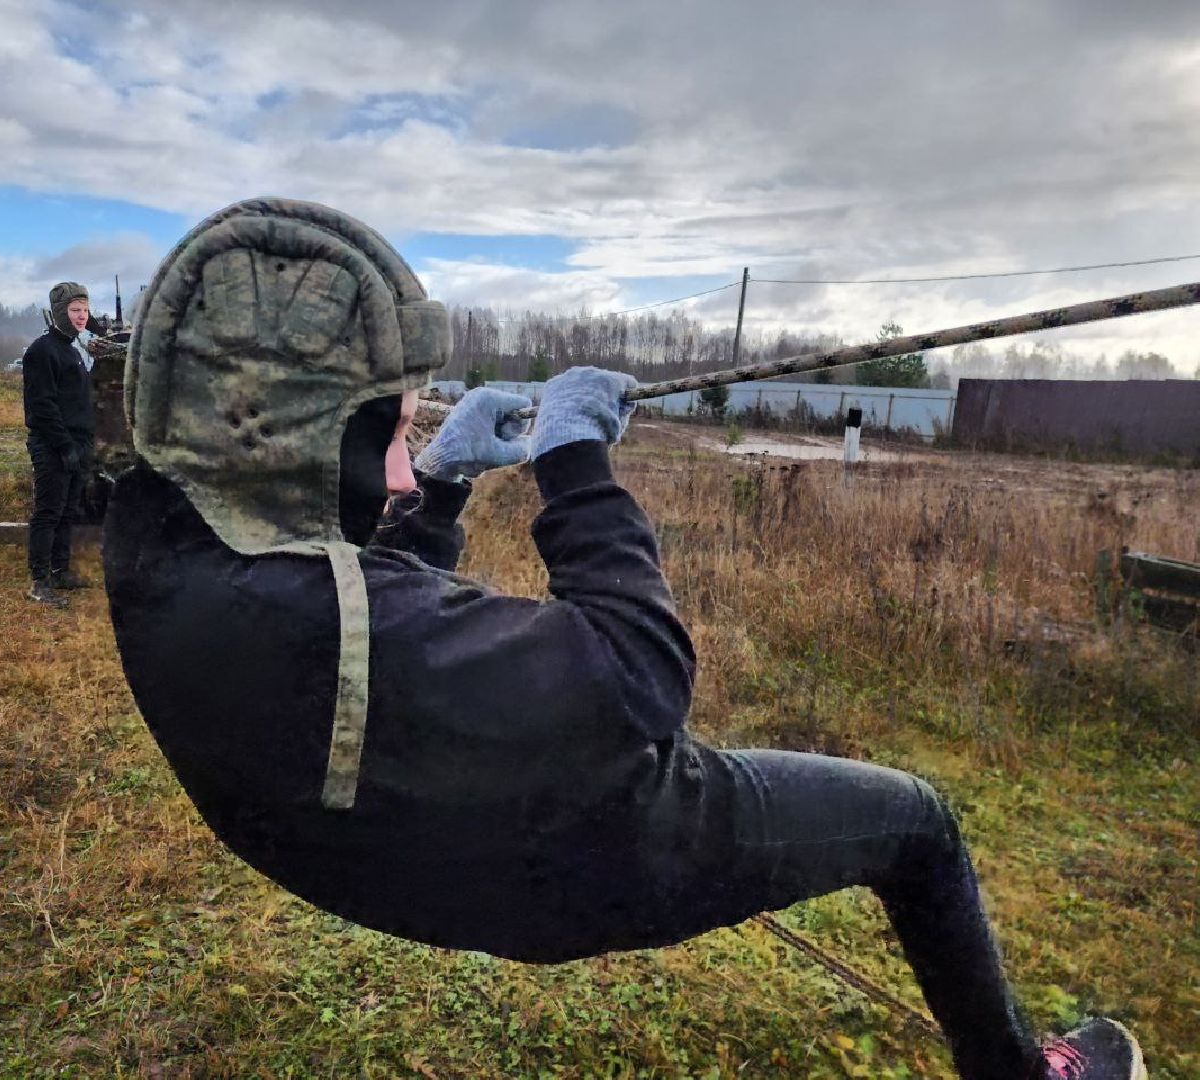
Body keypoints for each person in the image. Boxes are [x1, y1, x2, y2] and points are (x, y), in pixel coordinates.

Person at [102, 199, 1145, 1080]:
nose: (404, 474)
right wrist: (577, 469)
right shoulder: (307, 616)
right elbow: (640, 681)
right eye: (392, 434)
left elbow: (363, 639)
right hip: (593, 850)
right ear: (285, 435)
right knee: (919, 825)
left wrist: (449, 484)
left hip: (415, 851)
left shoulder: (169, 557)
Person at [21, 281, 96, 608]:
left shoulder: (73, 350)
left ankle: (60, 571)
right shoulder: (42, 351)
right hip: (53, 446)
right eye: (75, 310)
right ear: (59, 312)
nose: (82, 316)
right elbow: (43, 406)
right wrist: (64, 446)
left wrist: (81, 446)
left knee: (68, 512)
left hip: (76, 445)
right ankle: (39, 583)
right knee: (49, 513)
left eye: (85, 309)